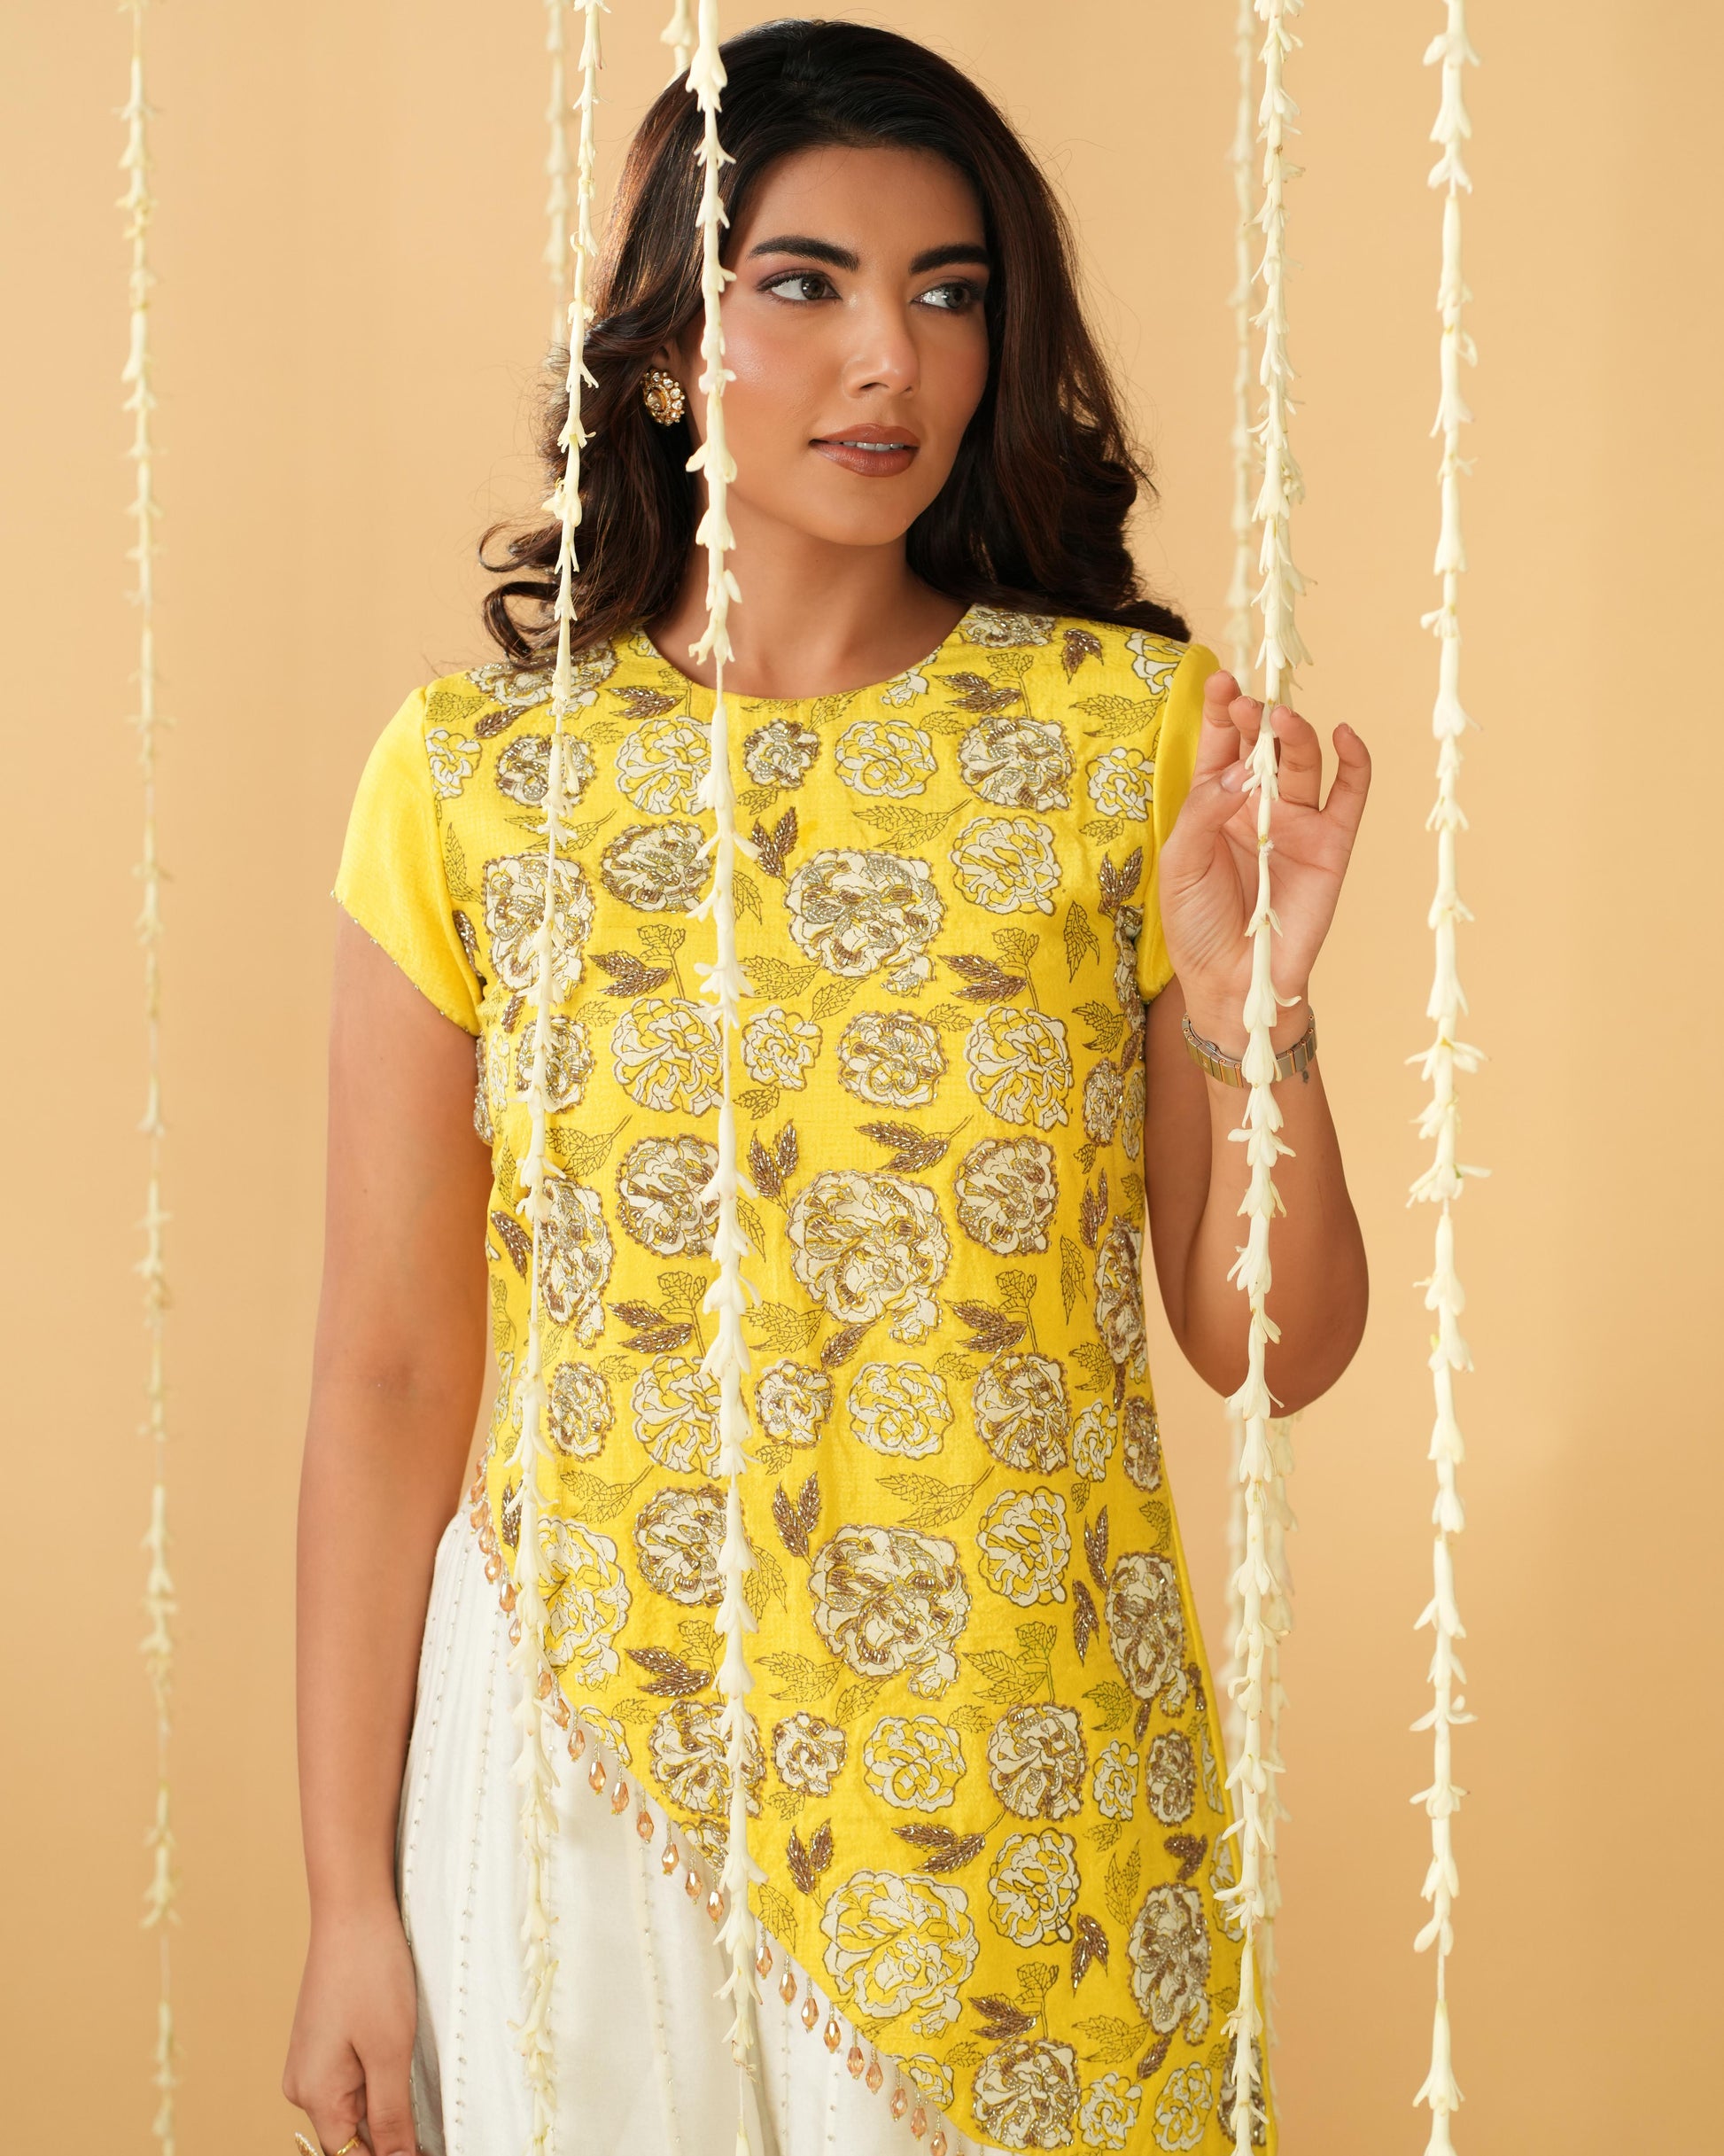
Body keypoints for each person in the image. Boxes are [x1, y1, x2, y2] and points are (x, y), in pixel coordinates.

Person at [282, 20, 1369, 2156]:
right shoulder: (478, 780)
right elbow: (392, 1372)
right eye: (807, 283)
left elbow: (1272, 1342)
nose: (892, 359)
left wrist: (1260, 1020)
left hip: (1023, 1767)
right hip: (586, 1770)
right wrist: (345, 1896)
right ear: (666, 344)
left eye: (948, 293)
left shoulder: (1126, 738)